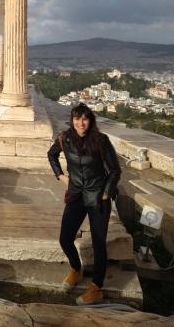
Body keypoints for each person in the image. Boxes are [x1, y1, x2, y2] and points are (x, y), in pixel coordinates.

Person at [47, 103, 121, 305]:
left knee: (98, 243)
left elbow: (115, 171)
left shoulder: (101, 140)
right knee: (65, 238)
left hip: (98, 197)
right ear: (72, 120)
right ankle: (76, 269)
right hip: (76, 194)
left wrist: (105, 194)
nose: (81, 123)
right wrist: (61, 176)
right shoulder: (65, 138)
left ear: (91, 120)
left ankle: (97, 287)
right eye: (77, 118)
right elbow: (51, 154)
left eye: (85, 118)